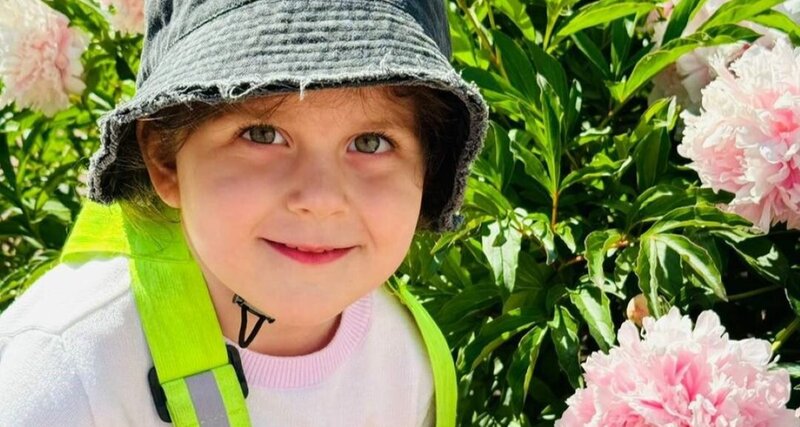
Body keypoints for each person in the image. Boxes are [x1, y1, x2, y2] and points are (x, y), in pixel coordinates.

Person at [0, 1, 487, 426]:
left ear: (427, 168)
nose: (320, 198)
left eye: (370, 142)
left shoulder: (407, 358)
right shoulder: (63, 377)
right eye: (262, 134)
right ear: (165, 159)